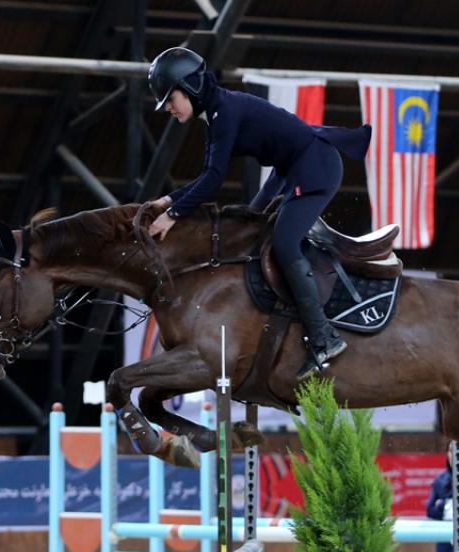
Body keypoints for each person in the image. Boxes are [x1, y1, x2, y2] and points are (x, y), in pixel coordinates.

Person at [145, 47, 373, 381]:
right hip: (291, 169)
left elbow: (213, 178)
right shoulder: (216, 114)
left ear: (190, 86)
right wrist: (166, 200)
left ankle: (326, 337)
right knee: (253, 228)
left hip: (314, 166)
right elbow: (208, 174)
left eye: (170, 99)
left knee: (283, 242)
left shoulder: (224, 111)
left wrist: (173, 213)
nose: (168, 109)